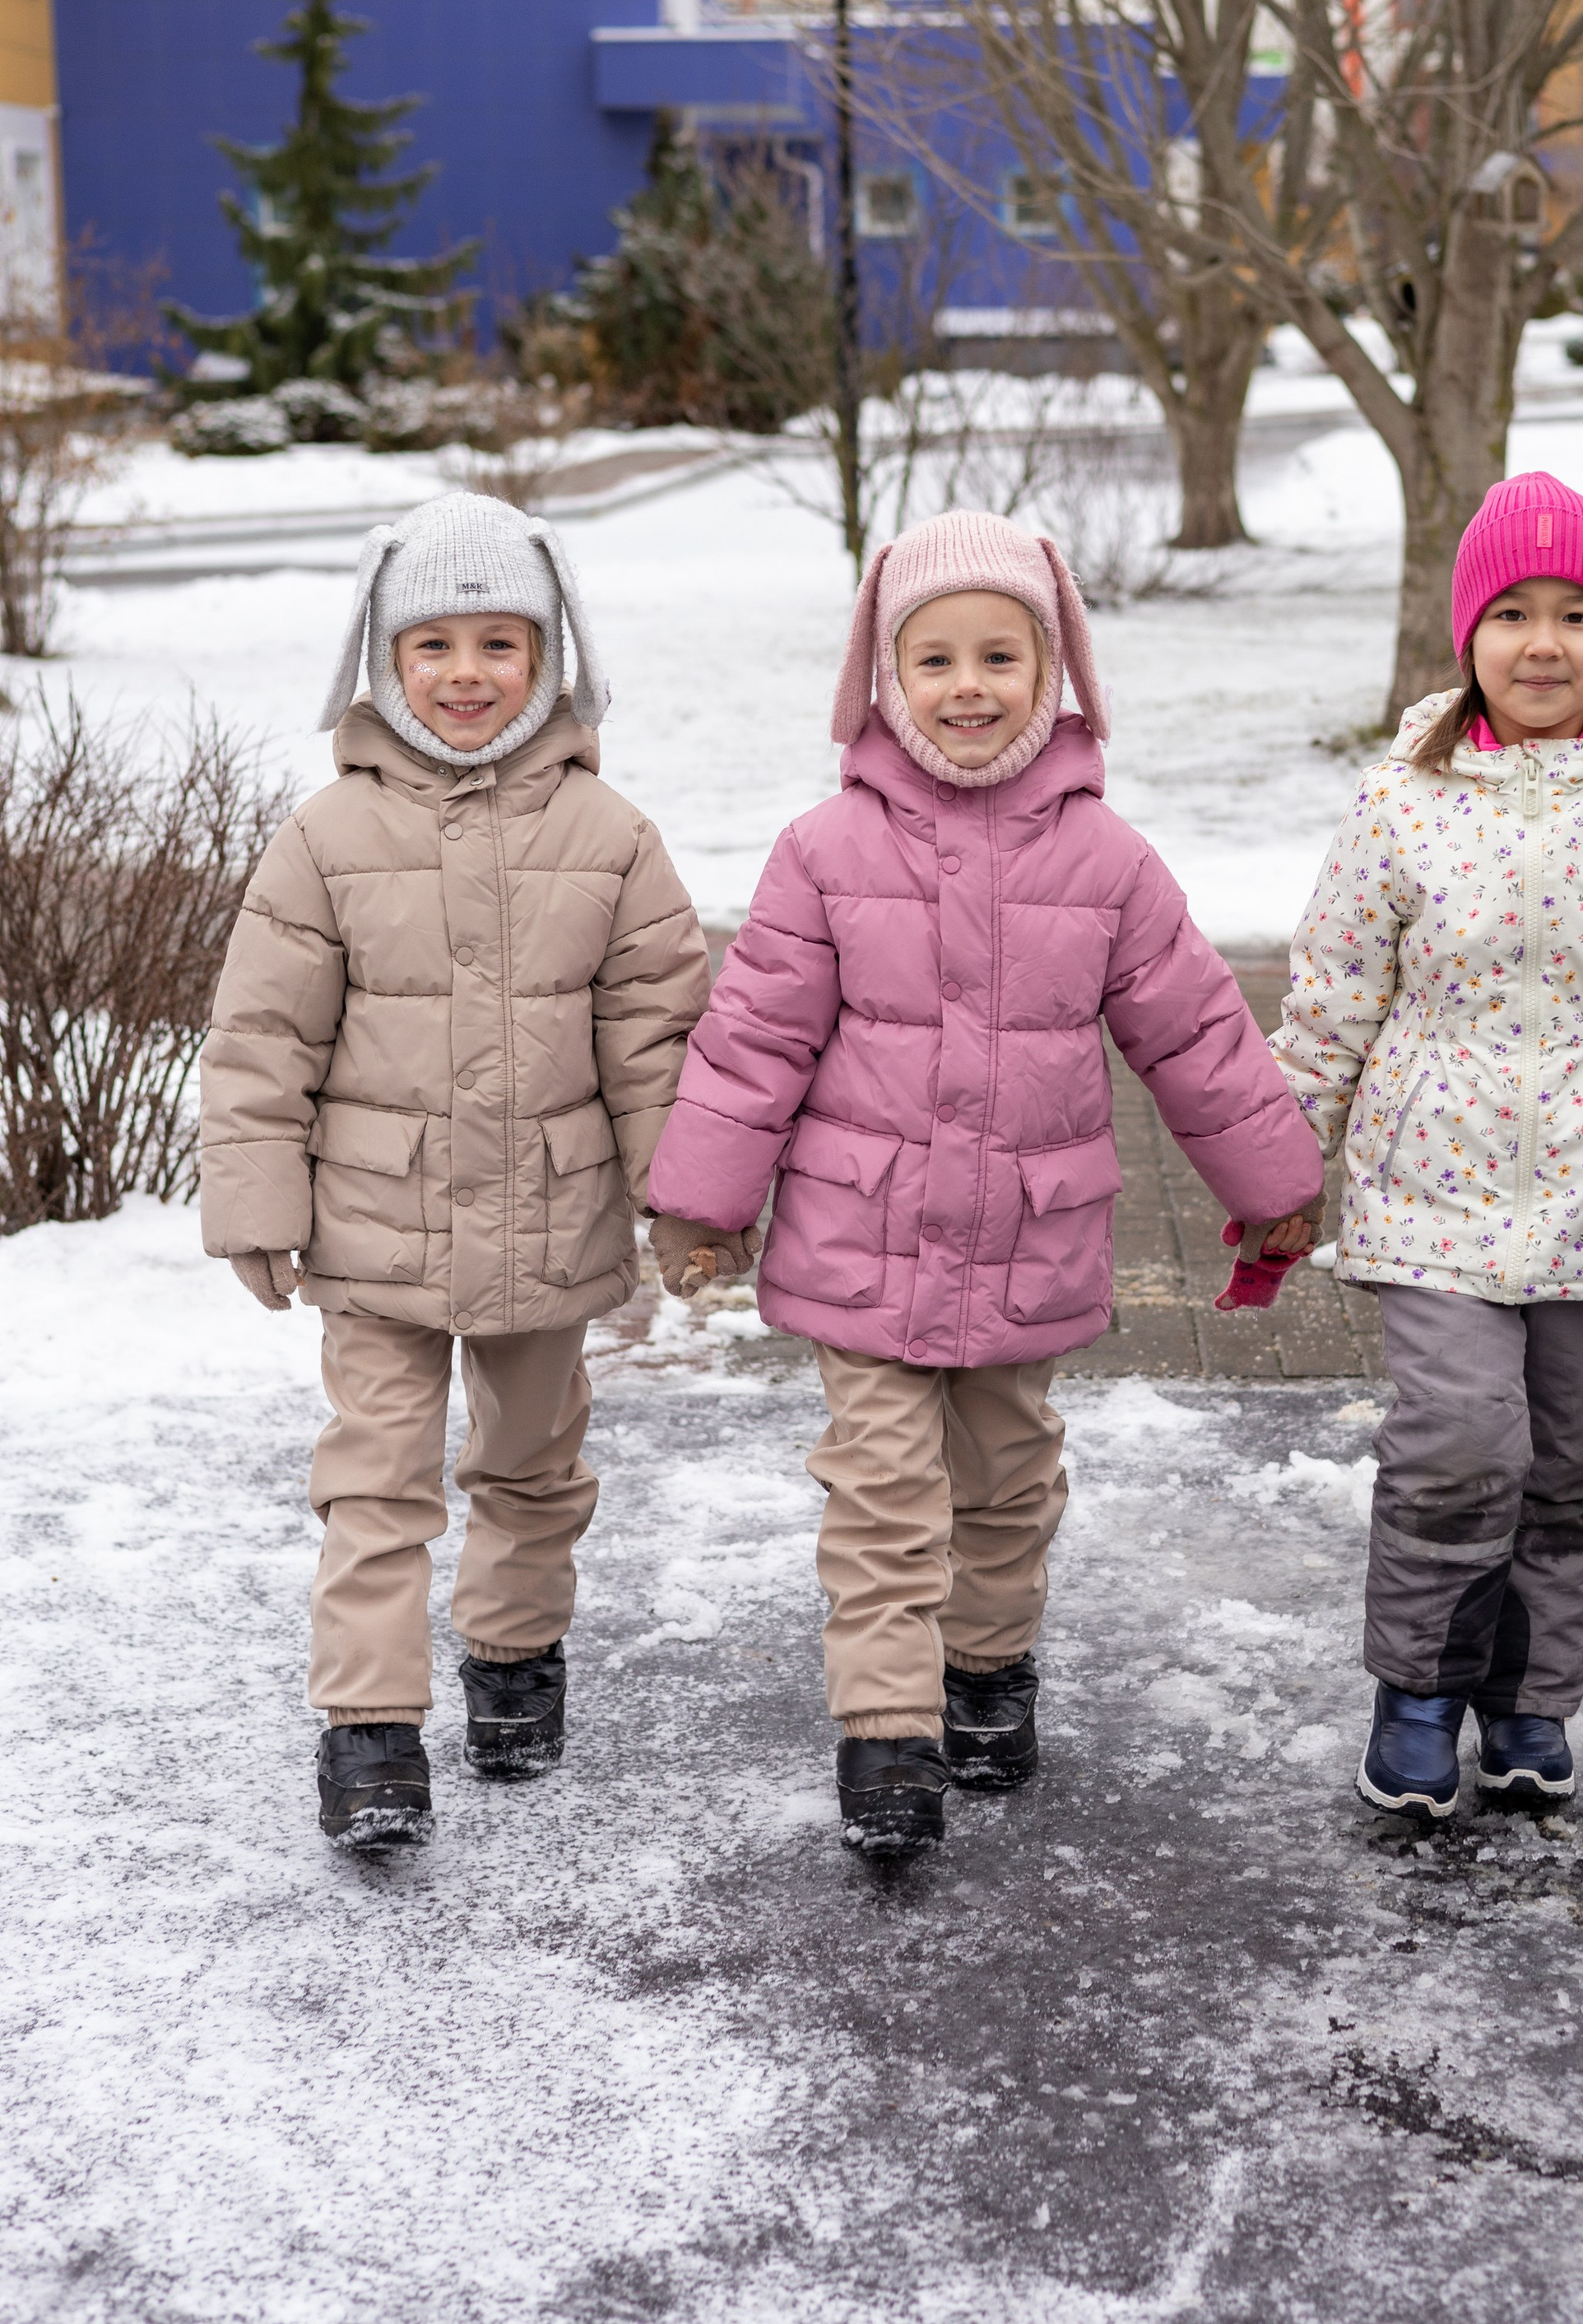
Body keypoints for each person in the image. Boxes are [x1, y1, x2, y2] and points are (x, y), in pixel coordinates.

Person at [647, 507, 1325, 1853]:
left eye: (1001, 658)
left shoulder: (1107, 862)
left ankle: (989, 1673)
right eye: (935, 660)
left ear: (1056, 674)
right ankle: (887, 1734)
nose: (968, 687)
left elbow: (1191, 1029)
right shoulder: (823, 853)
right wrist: (705, 1200)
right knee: (884, 1488)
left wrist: (1273, 1178)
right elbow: (760, 1035)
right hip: (864, 1235)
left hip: (1028, 1237)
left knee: (1008, 1479)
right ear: (884, 681)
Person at [1266, 469, 1583, 1823]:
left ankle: (1530, 1699)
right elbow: (1331, 996)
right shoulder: (1400, 805)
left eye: (1574, 614)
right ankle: (1423, 1688)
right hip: (1428, 1192)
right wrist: (1276, 1172)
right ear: (1468, 634)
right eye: (1510, 613)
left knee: (1572, 1457)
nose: (1542, 644)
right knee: (1457, 1437)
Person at [199, 494, 713, 1851]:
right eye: (435, 645)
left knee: (536, 1463)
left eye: (503, 643)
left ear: (553, 660)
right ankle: (369, 1729)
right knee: (374, 1480)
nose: (470, 673)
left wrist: (689, 1198)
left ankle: (513, 1659)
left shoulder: (612, 835)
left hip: (550, 1213)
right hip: (375, 1223)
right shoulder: (326, 837)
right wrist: (255, 1197)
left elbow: (656, 1033)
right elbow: (263, 1034)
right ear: (384, 661)